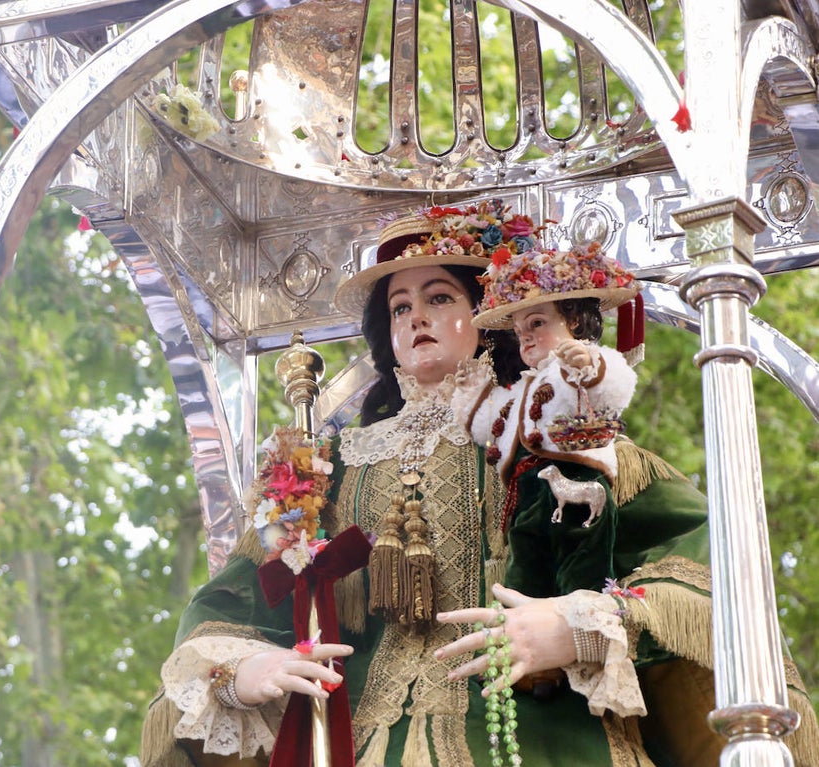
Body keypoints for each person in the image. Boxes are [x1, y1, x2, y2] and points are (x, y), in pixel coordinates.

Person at [140, 203, 819, 767]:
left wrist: (575, 627)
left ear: (487, 314)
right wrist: (245, 670)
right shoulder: (325, 469)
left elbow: (702, 573)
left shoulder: (553, 437)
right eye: (400, 305)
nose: (416, 316)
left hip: (537, 738)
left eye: (440, 296)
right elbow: (238, 599)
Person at [450, 242, 641, 599]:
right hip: (528, 494)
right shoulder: (523, 388)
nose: (527, 338)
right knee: (524, 569)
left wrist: (585, 363)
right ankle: (520, 631)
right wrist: (468, 392)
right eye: (521, 332)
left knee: (582, 566)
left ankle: (583, 633)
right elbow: (488, 421)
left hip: (578, 479)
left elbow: (613, 383)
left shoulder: (580, 363)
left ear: (572, 320)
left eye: (538, 323)